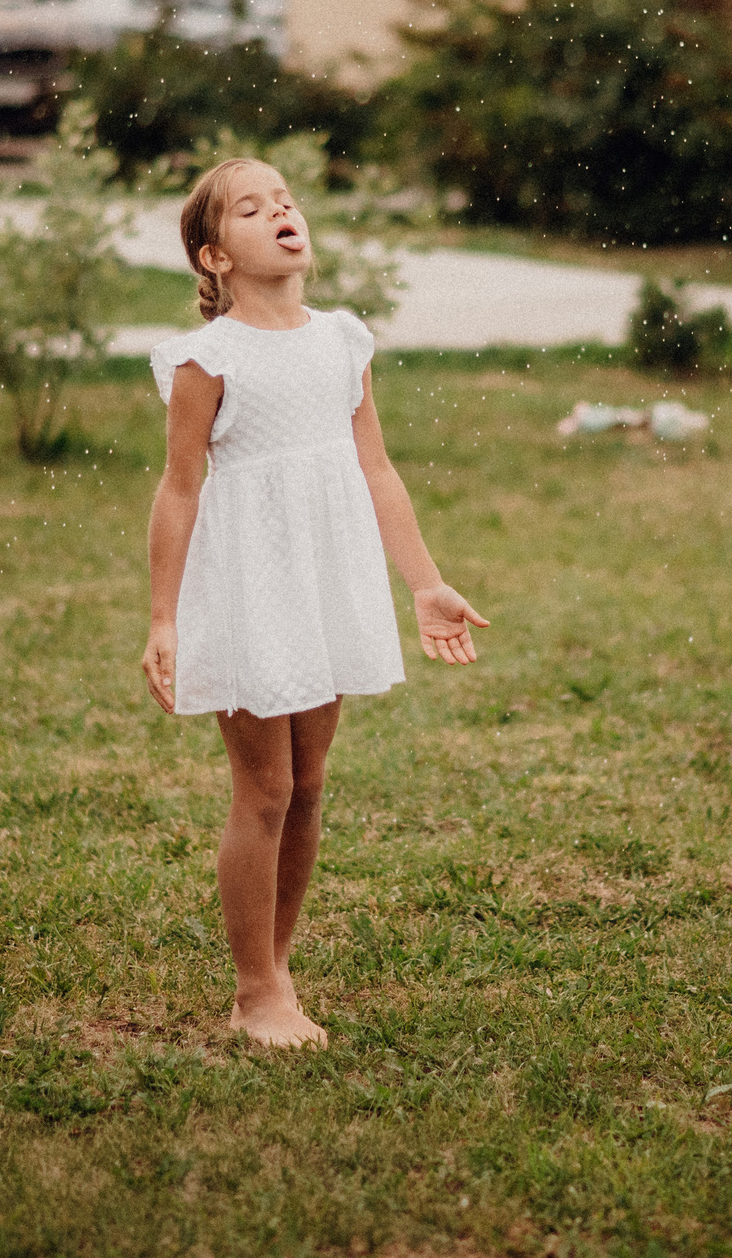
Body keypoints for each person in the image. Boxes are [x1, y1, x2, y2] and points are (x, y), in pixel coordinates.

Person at [142, 158, 488, 1048]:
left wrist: (425, 582)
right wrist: (163, 618)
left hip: (328, 580)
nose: (281, 212)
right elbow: (179, 491)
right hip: (252, 583)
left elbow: (376, 468)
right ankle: (254, 990)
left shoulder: (342, 339)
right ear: (215, 258)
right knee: (263, 789)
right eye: (252, 209)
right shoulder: (207, 359)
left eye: (286, 199)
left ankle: (280, 963)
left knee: (310, 784)